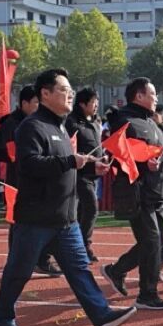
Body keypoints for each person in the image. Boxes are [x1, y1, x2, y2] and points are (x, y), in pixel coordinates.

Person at [0, 68, 134, 326]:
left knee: (80, 269)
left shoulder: (61, 126)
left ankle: (101, 315)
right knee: (19, 271)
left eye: (70, 90)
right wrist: (70, 161)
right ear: (45, 94)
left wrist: (90, 168)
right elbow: (29, 165)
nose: (70, 95)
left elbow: (66, 168)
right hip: (36, 217)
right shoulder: (31, 127)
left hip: (66, 218)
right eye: (64, 90)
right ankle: (2, 322)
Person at [101, 78, 163, 309]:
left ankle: (117, 270)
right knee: (151, 240)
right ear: (139, 96)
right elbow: (118, 155)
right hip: (137, 191)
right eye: (152, 93)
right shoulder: (124, 122)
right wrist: (143, 164)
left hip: (157, 191)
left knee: (157, 241)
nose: (156, 98)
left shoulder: (151, 122)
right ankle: (147, 294)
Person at [0, 85, 60, 277]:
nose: (40, 106)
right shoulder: (12, 124)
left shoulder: (41, 121)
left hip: (40, 178)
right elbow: (3, 152)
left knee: (45, 219)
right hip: (18, 180)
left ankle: (42, 260)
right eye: (36, 102)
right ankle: (16, 262)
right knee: (18, 222)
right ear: (24, 103)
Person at [66, 87, 103, 262]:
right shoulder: (72, 123)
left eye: (97, 102)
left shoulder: (95, 123)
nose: (96, 105)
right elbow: (70, 149)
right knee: (91, 207)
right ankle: (83, 245)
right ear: (82, 104)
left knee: (81, 211)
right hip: (78, 174)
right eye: (93, 102)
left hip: (93, 173)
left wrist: (102, 158)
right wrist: (89, 160)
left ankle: (75, 245)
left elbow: (96, 146)